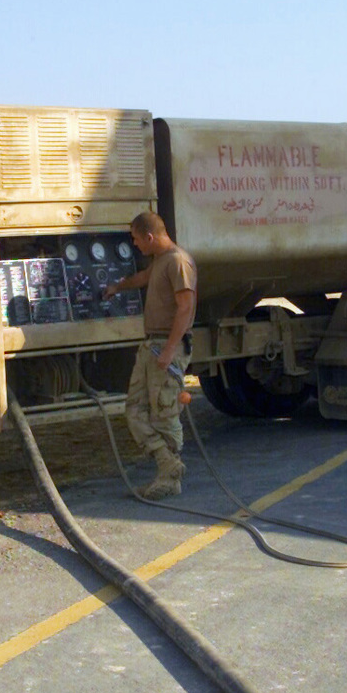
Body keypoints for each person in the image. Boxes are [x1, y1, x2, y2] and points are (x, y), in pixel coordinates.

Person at [103, 211, 197, 498]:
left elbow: (185, 307)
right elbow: (144, 277)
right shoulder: (161, 262)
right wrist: (118, 286)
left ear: (150, 237)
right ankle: (167, 464)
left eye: (135, 239)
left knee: (165, 412)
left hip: (165, 347)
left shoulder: (178, 261)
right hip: (151, 346)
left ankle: (170, 478)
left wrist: (169, 350)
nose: (135, 245)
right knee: (135, 410)